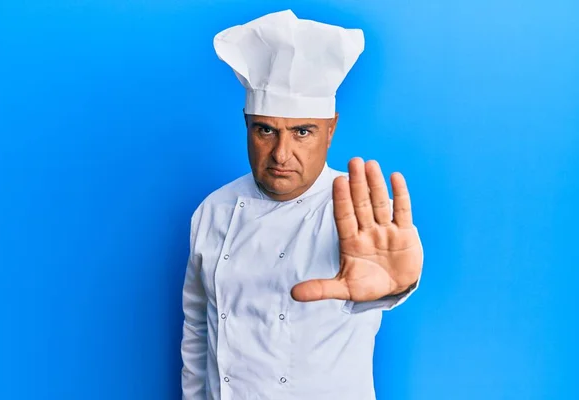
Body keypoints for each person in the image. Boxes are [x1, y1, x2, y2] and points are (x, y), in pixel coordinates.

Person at [181, 9, 423, 400]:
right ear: (247, 124)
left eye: (302, 132)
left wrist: (398, 286)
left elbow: (386, 278)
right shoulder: (213, 210)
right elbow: (197, 329)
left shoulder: (357, 214)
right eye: (266, 130)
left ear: (331, 130)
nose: (281, 153)